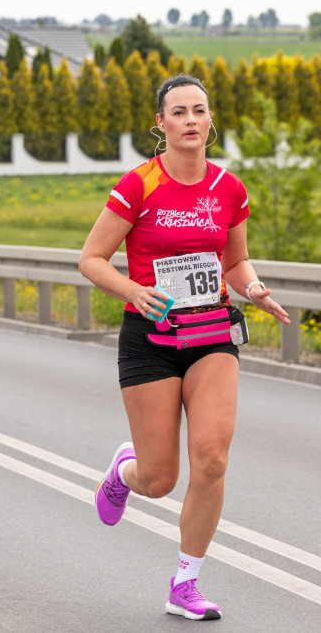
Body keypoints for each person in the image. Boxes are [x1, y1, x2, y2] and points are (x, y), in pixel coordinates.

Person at [79, 74, 291, 621]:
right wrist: (133, 290)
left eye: (199, 110)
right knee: (160, 479)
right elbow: (92, 258)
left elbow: (234, 261)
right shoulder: (138, 185)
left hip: (211, 335)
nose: (191, 120)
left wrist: (255, 288)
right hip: (149, 340)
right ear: (161, 123)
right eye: (179, 112)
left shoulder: (229, 188)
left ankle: (186, 583)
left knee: (213, 460)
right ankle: (125, 472)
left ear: (210, 120)